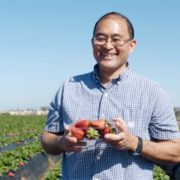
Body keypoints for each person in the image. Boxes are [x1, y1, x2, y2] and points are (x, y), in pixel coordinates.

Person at [41, 12, 180, 180]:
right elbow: (48, 137)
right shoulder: (69, 87)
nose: (107, 45)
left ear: (132, 45)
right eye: (100, 38)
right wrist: (61, 143)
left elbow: (176, 151)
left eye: (116, 39)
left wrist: (134, 143)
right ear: (92, 43)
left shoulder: (153, 92)